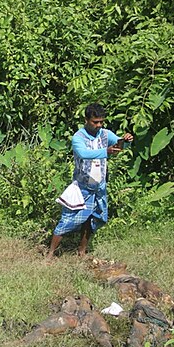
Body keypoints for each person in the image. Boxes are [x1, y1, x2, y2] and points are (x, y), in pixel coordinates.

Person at [47, 103, 134, 259]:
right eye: (95, 122)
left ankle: (82, 251)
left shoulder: (105, 134)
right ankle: (50, 253)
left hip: (99, 186)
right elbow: (83, 153)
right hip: (82, 186)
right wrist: (106, 151)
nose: (99, 125)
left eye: (101, 121)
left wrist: (125, 140)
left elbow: (119, 145)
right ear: (86, 120)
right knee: (67, 220)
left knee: (91, 219)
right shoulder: (78, 137)